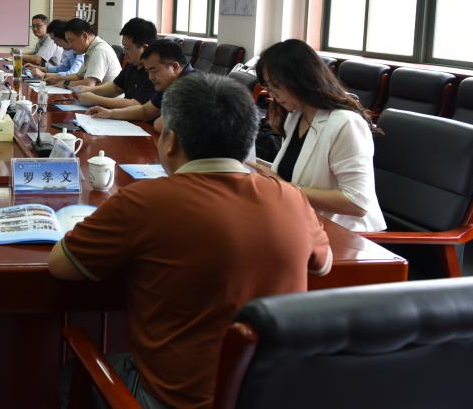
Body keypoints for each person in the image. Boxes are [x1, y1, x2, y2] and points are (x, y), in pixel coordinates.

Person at [49, 73, 331, 409]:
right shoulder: (291, 197)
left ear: (170, 140)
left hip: (174, 400)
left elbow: (61, 265)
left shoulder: (145, 201)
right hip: (270, 395)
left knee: (71, 375)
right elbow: (323, 266)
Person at [255, 39, 386, 232]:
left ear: (300, 80)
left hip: (347, 234)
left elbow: (357, 202)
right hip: (305, 224)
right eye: (268, 86)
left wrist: (285, 188)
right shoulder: (295, 117)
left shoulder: (346, 123)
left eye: (276, 86)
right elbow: (293, 174)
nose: (272, 95)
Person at [87, 40, 194, 122]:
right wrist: (110, 113)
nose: (150, 77)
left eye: (154, 71)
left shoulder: (192, 86)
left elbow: (162, 126)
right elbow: (145, 111)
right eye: (148, 72)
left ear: (175, 67)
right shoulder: (169, 83)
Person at [76, 18, 157, 109]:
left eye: (127, 48)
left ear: (145, 49)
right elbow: (115, 87)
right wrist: (90, 90)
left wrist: (95, 99)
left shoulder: (154, 72)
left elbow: (136, 104)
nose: (125, 52)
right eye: (124, 47)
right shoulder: (132, 65)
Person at [44, 18, 121, 88]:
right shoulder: (90, 49)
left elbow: (89, 84)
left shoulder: (99, 50)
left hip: (106, 98)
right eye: (68, 41)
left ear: (84, 36)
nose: (70, 45)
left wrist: (65, 83)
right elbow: (79, 76)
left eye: (71, 40)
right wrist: (58, 79)